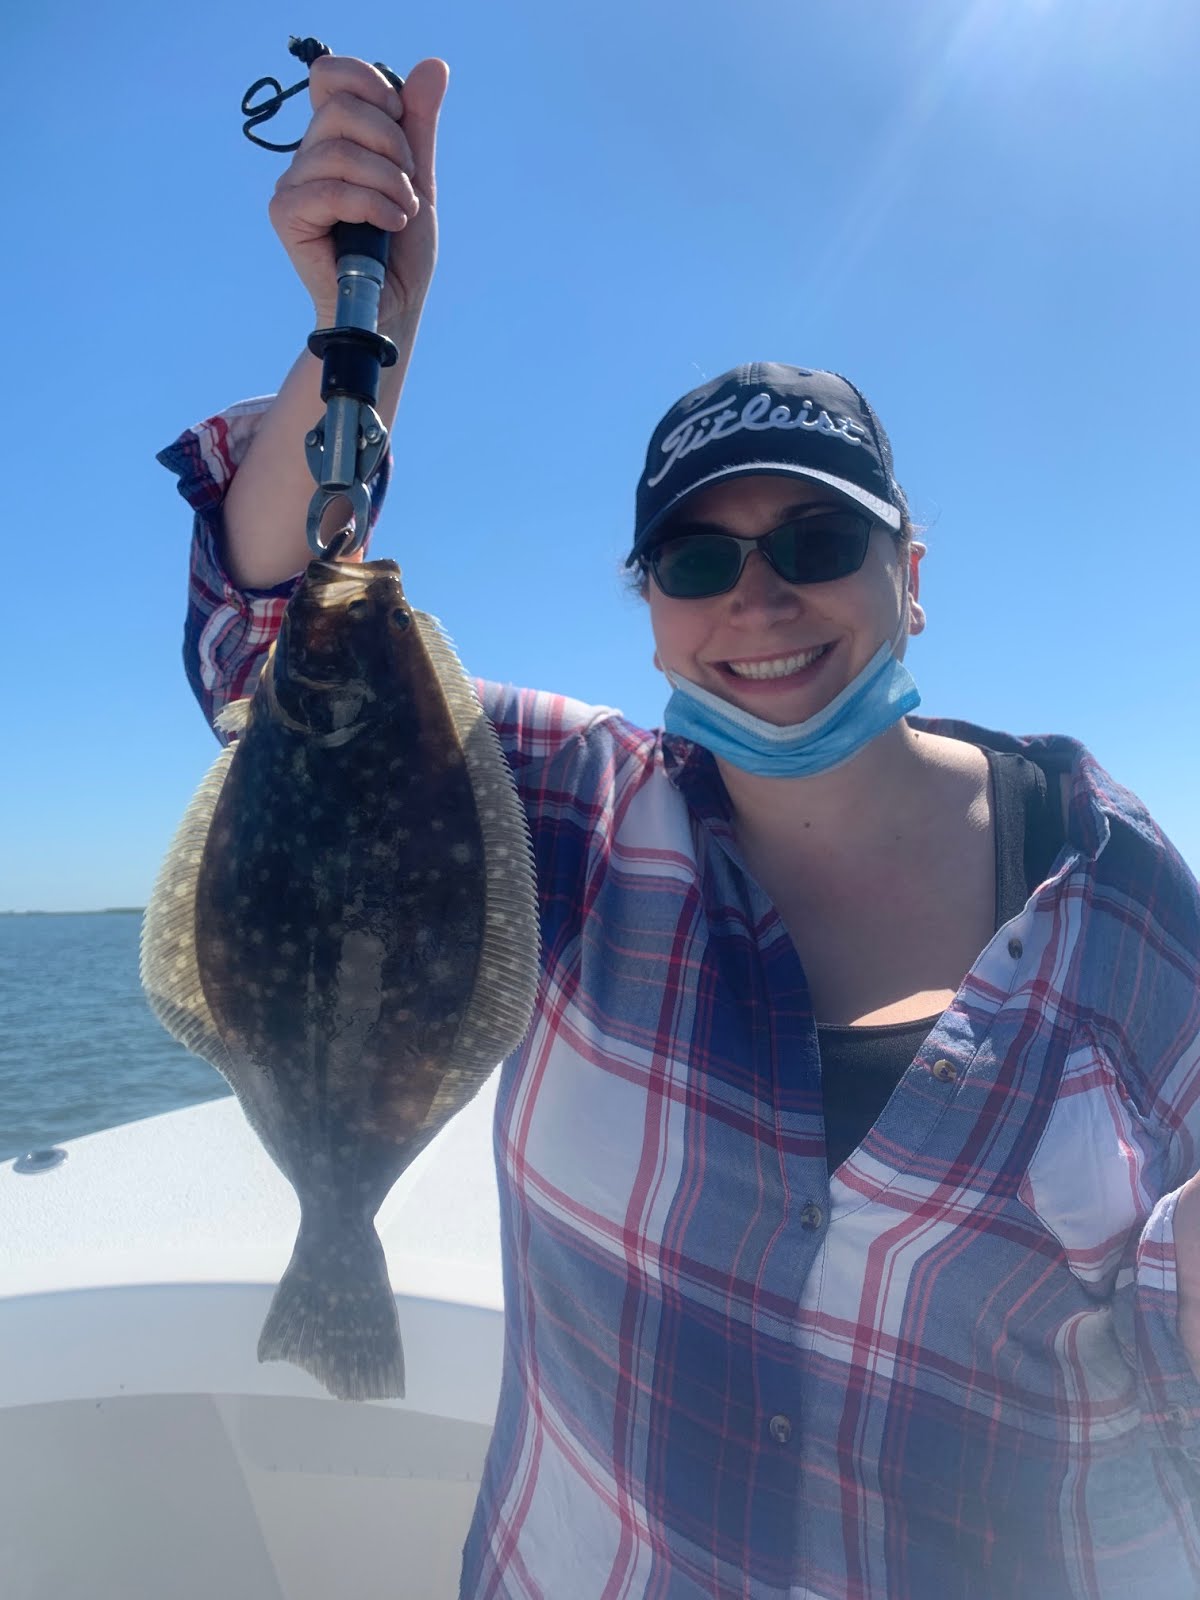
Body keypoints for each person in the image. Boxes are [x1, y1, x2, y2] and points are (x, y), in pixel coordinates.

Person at [160, 53, 1200, 1600]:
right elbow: (266, 647)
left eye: (816, 540)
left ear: (909, 574)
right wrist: (362, 331)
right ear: (647, 615)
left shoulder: (1125, 907)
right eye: (695, 566)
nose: (757, 599)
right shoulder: (568, 809)